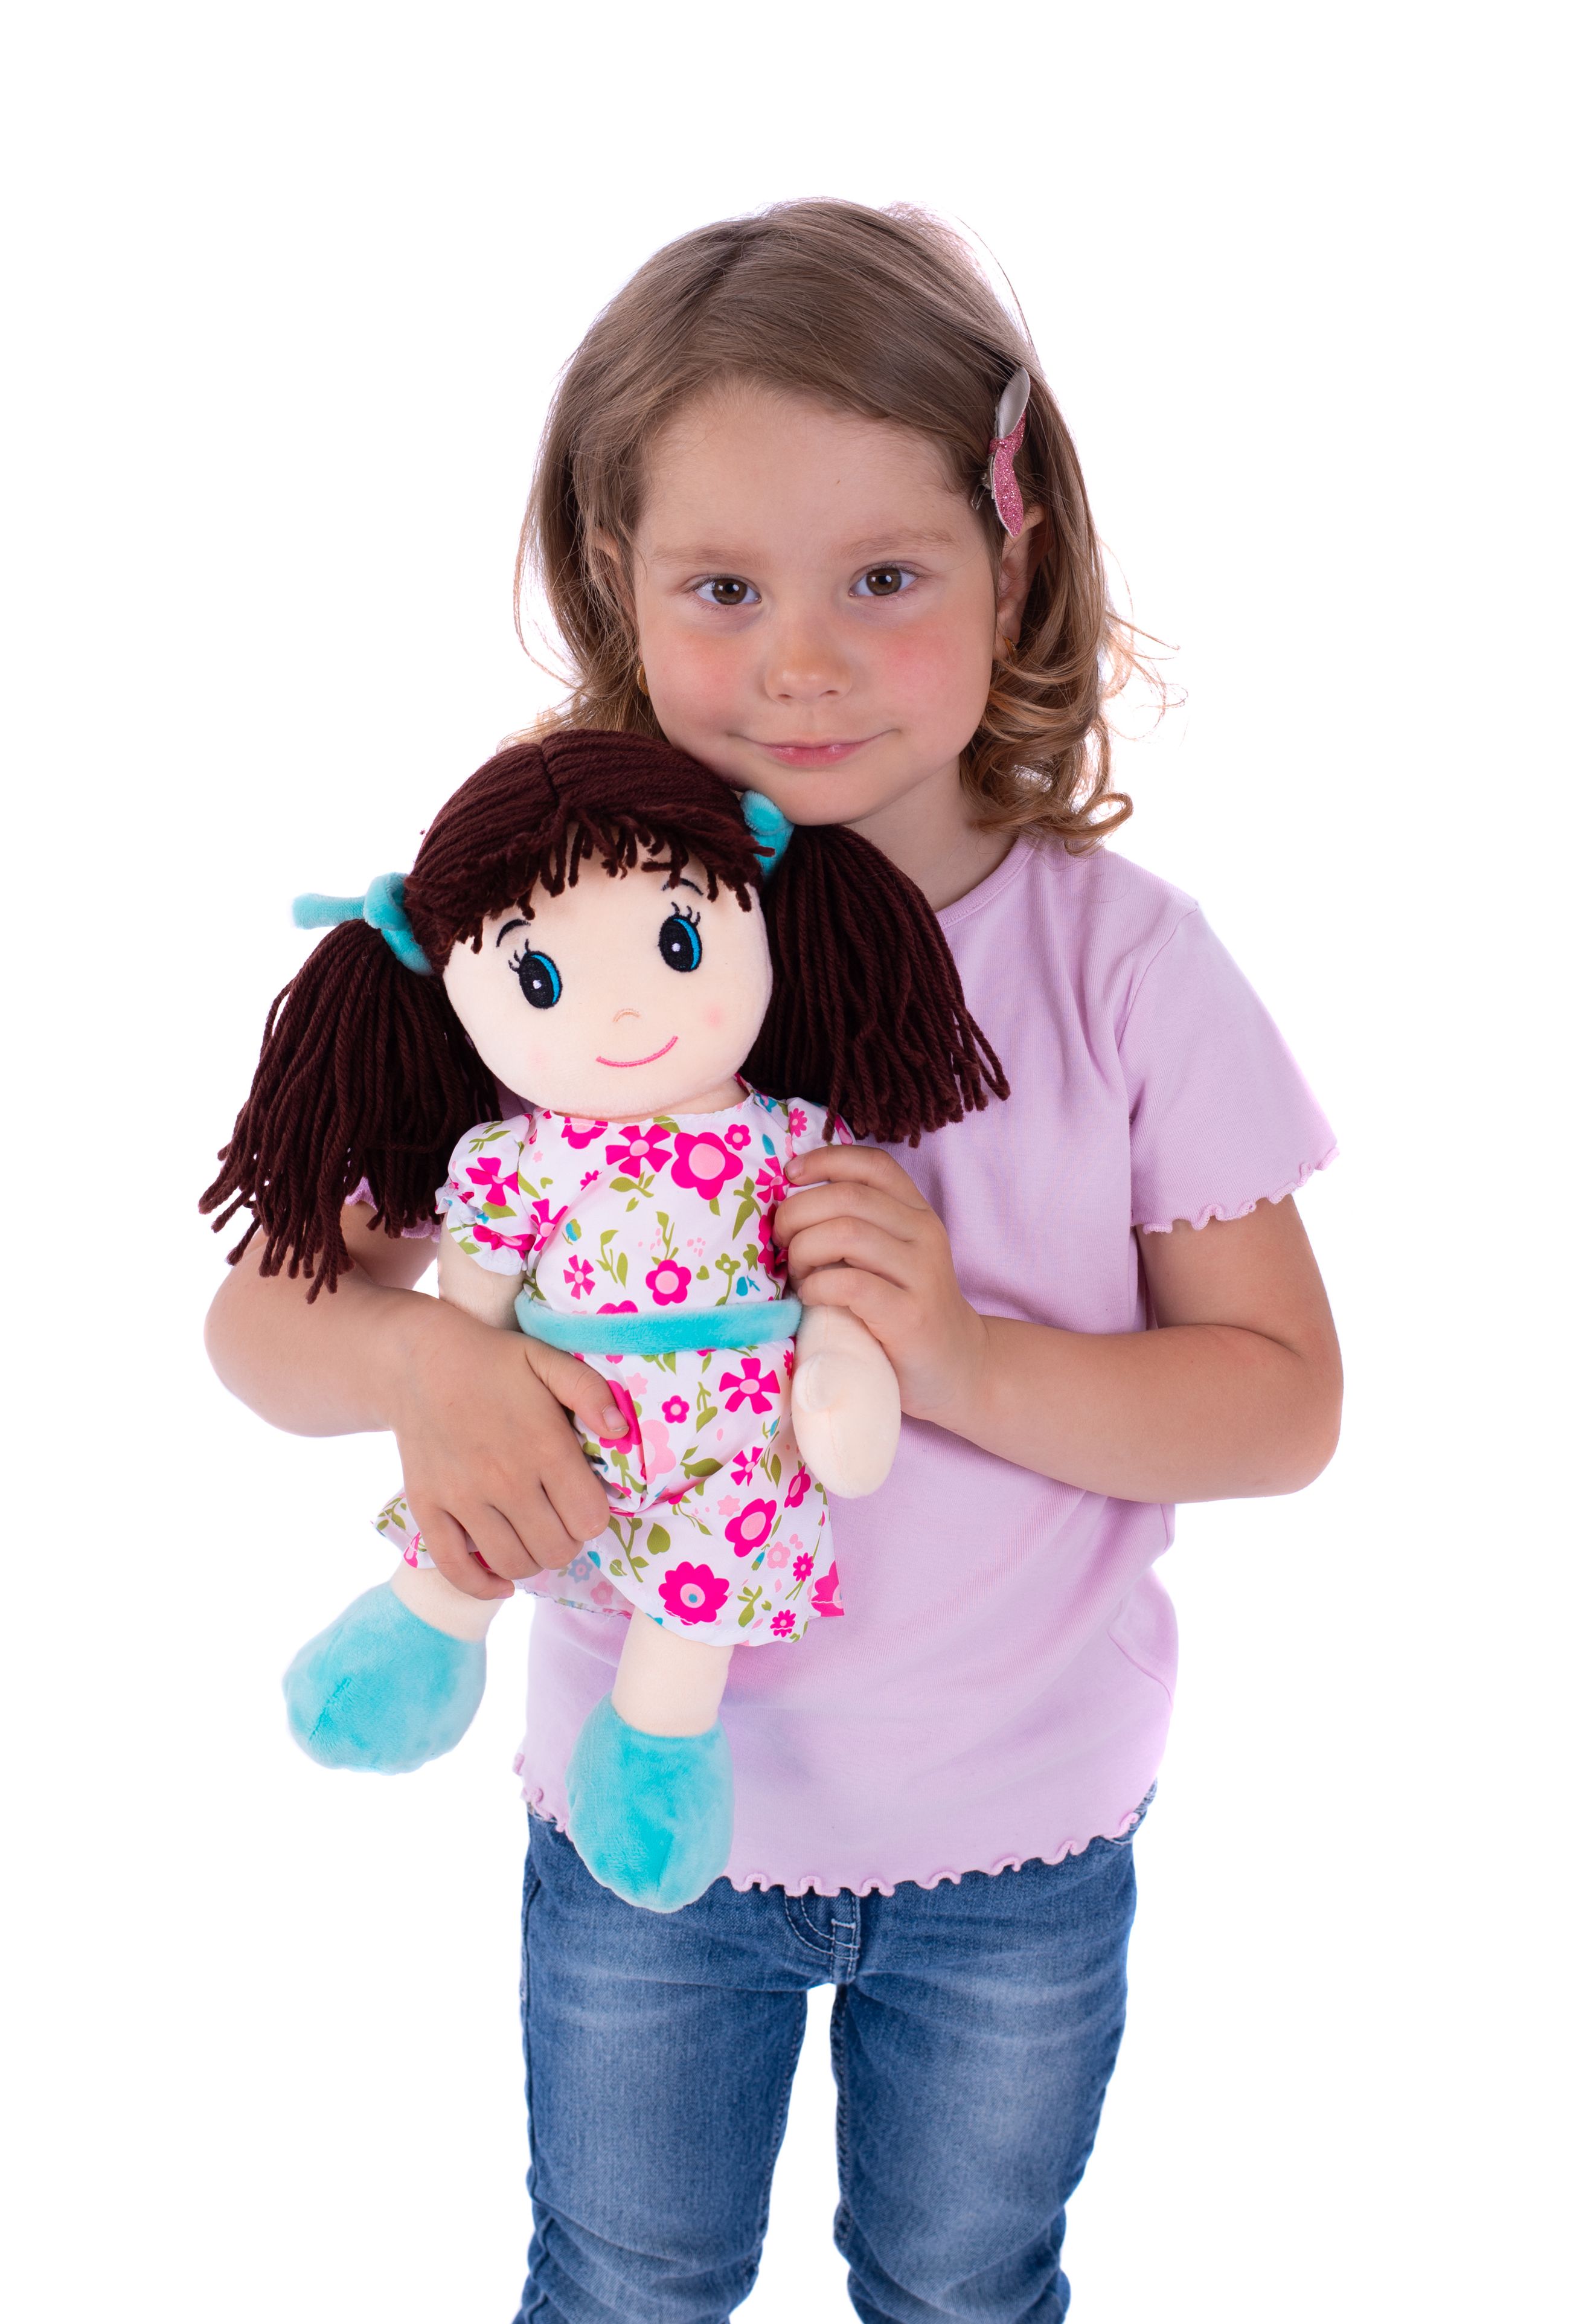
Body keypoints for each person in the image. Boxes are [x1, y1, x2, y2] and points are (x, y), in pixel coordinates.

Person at [205, 199, 1342, 2323]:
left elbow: (1284, 1399)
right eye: (726, 587)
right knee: (625, 2281)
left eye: (884, 578)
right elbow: (257, 1317)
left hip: (1020, 1841)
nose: (801, 661)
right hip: (643, 1826)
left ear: (1015, 563)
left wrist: (968, 1358)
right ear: (614, 578)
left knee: (967, 2283)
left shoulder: (1122, 965)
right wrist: (425, 1366)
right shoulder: (546, 946)